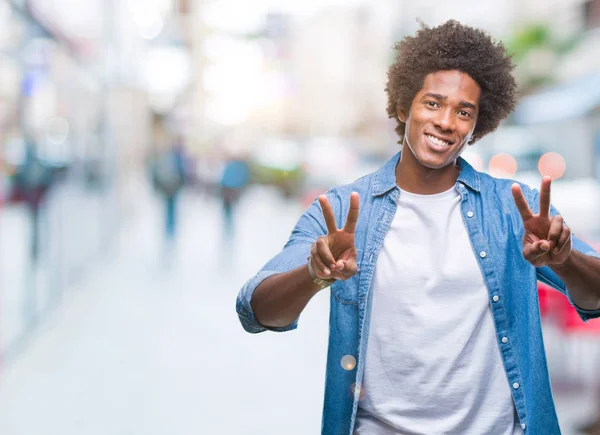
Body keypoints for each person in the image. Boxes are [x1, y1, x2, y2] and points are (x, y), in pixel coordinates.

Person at [235, 20, 600, 434]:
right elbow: (256, 311)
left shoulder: (513, 208)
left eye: (464, 112)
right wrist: (314, 275)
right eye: (432, 103)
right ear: (403, 106)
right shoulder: (341, 210)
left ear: (476, 127)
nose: (446, 122)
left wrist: (566, 260)